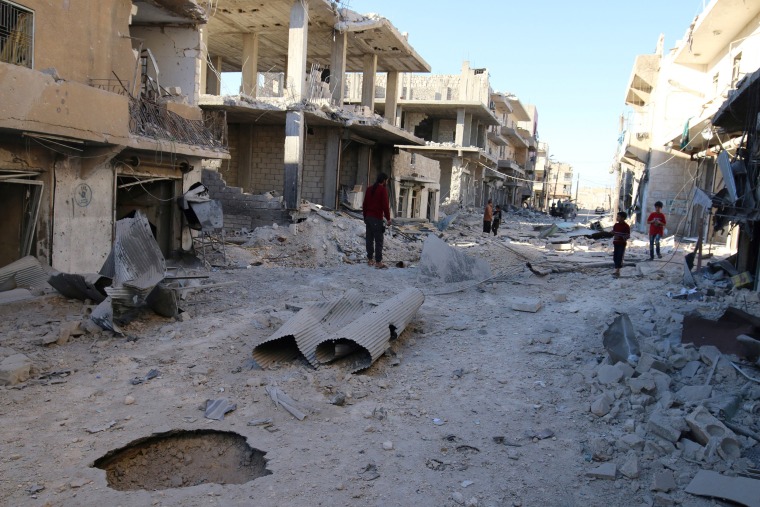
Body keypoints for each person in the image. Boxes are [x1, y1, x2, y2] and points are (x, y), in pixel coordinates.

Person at [362, 173, 391, 269]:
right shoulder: (382, 190)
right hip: (376, 218)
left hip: (368, 218)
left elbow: (365, 204)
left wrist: (365, 217)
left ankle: (370, 259)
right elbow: (385, 206)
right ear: (384, 180)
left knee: (369, 239)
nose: (386, 182)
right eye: (386, 180)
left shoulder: (369, 189)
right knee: (379, 240)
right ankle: (378, 262)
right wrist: (388, 218)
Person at [612, 211, 631, 278]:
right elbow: (613, 232)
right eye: (617, 216)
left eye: (619, 217)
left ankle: (617, 270)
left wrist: (621, 237)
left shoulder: (626, 226)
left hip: (622, 243)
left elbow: (628, 235)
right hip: (616, 243)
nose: (617, 218)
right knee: (615, 256)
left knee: (620, 256)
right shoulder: (616, 225)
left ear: (623, 218)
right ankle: (617, 268)